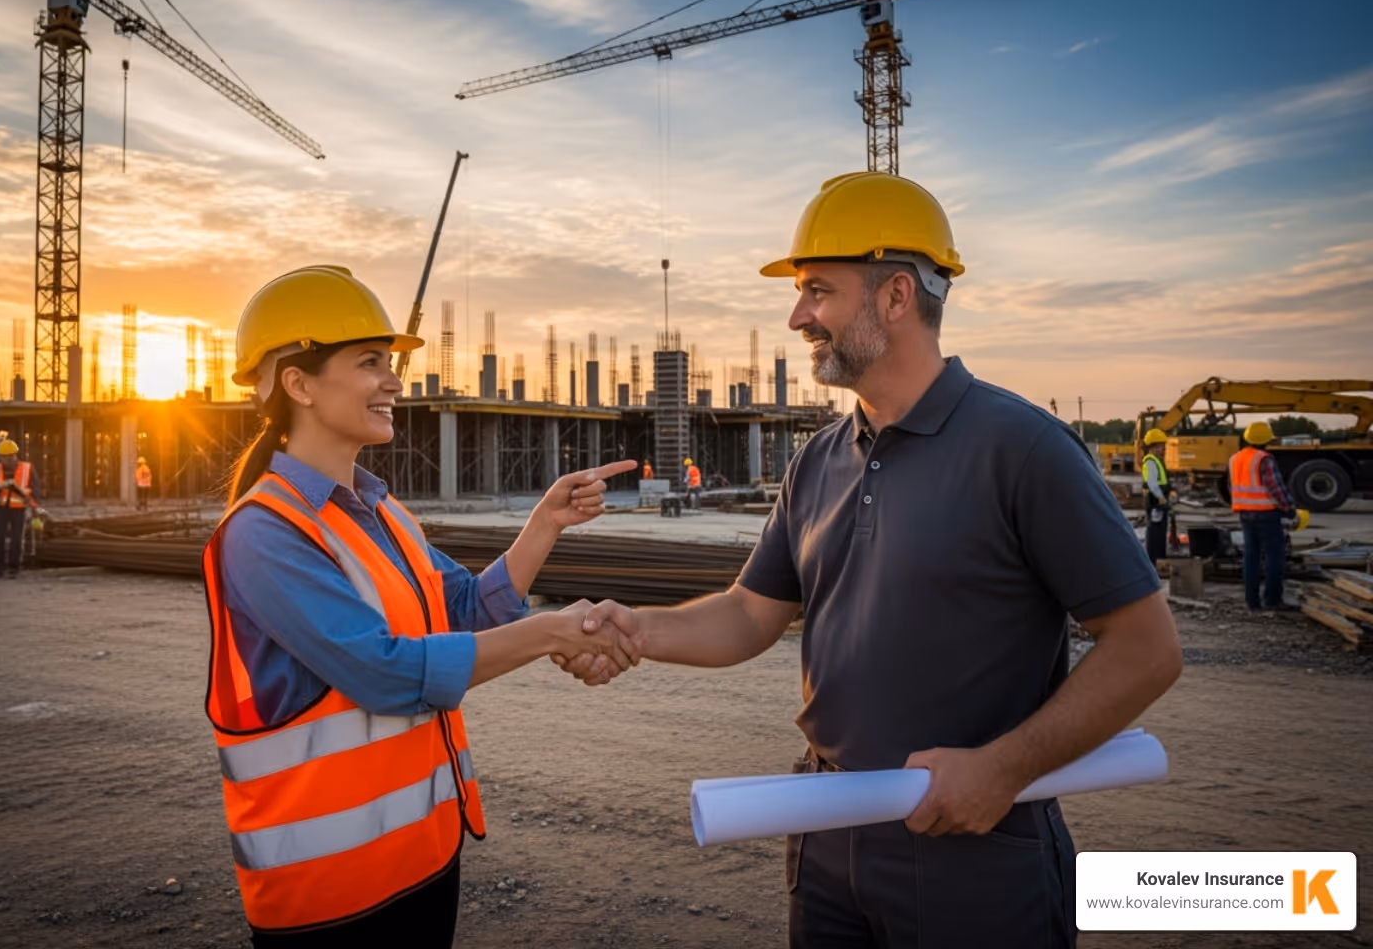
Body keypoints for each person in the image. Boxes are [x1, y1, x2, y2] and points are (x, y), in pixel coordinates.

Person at [557, 172, 1182, 948]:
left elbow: (1148, 648)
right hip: (827, 832)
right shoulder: (818, 458)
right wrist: (636, 630)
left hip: (973, 847)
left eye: (817, 290)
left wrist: (1002, 769)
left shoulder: (1022, 449)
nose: (797, 316)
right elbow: (752, 614)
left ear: (895, 295)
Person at [202, 265, 640, 948]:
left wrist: (543, 523)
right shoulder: (264, 534)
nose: (393, 381)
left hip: (423, 863)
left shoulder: (382, 514)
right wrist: (550, 632)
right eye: (370, 362)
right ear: (299, 383)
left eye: (391, 363)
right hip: (329, 896)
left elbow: (463, 607)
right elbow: (383, 674)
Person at [1229, 421, 1295, 611]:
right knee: (1274, 558)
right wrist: (1288, 507)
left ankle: (1252, 602)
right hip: (1266, 514)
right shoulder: (1264, 459)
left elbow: (1231, 487)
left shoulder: (1236, 458)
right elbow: (1276, 488)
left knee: (1251, 558)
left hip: (1245, 514)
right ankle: (1272, 600)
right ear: (1266, 440)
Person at [0, 439, 40, 578]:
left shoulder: (27, 468)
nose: (9, 460)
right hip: (1, 508)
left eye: (11, 456)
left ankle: (14, 568)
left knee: (17, 539)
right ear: (0, 457)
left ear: (16, 455)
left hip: (19, 508)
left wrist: (33, 504)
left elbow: (35, 488)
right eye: (6, 457)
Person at [1140, 428, 1173, 563]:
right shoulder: (1150, 462)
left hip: (1158, 501)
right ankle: (1154, 560)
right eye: (1161, 447)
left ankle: (1159, 559)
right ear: (1153, 447)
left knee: (1160, 533)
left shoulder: (1156, 460)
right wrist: (1161, 497)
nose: (1163, 449)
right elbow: (1153, 484)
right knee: (1155, 534)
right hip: (1155, 501)